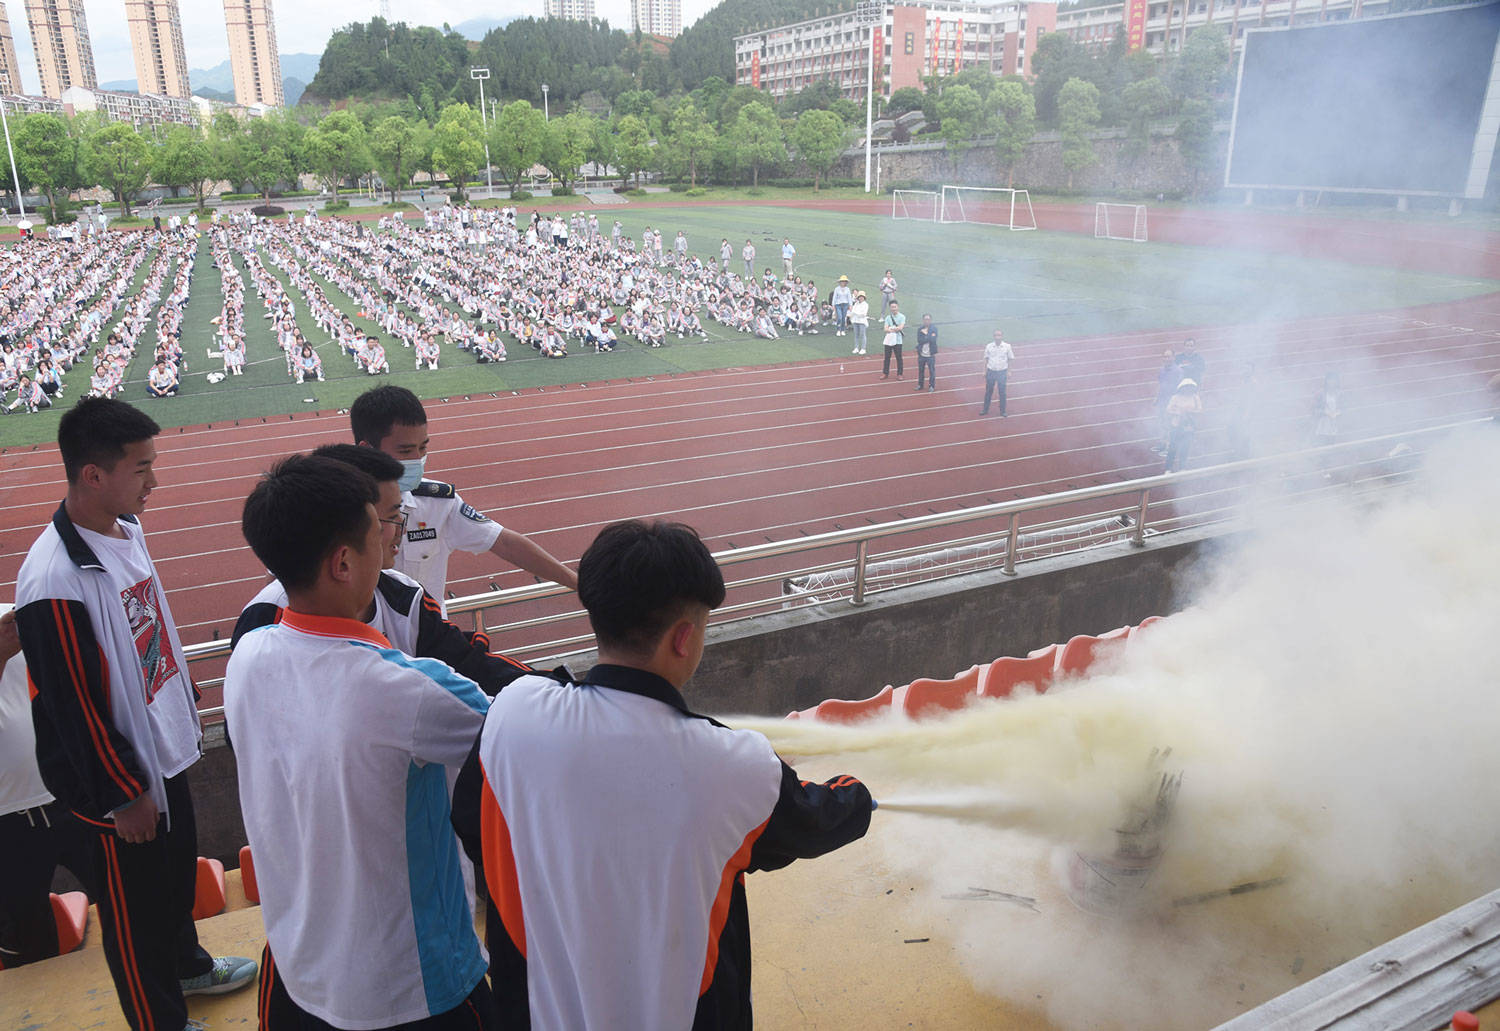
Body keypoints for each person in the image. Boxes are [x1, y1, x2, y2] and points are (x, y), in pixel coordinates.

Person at [452, 520, 874, 1029]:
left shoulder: (514, 715)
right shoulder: (733, 764)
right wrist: (859, 795)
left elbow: (470, 819)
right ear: (683, 638)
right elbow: (811, 820)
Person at [229, 454, 496, 1031]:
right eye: (380, 532)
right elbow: (526, 733)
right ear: (344, 561)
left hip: (300, 973)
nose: (392, 546)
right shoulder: (402, 688)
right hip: (413, 988)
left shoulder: (248, 655)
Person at [14, 398, 255, 1030]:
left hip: (167, 746)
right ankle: (161, 1021)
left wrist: (182, 702)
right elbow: (71, 704)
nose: (155, 481)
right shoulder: (53, 578)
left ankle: (189, 967)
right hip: (121, 777)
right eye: (142, 468)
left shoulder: (125, 530)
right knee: (134, 917)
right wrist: (123, 794)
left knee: (173, 889)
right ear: (93, 475)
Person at [350, 386, 578, 615]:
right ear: (367, 450)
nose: (418, 460)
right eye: (406, 451)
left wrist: (578, 584)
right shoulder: (334, 511)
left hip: (428, 643)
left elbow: (505, 543)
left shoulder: (437, 503)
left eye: (423, 448)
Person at [1164, 379, 1203, 473]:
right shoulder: (1175, 398)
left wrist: (1190, 412)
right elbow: (1168, 409)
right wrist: (1178, 413)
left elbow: (1200, 410)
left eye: (1190, 387)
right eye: (1186, 387)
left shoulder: (1195, 398)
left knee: (1185, 448)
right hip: (1176, 425)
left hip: (1189, 427)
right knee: (1172, 448)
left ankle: (1182, 468)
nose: (1188, 389)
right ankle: (1168, 468)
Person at [980, 328, 1015, 417]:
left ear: (1002, 336)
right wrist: (984, 371)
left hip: (1002, 372)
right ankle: (985, 409)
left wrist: (1009, 371)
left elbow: (1010, 359)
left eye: (999, 335)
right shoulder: (989, 346)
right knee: (988, 391)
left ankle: (1003, 411)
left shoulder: (1007, 346)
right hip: (991, 372)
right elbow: (985, 359)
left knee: (1002, 392)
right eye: (996, 335)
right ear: (993, 336)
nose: (997, 337)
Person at [1150, 348, 1178, 455]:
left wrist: (1174, 404)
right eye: (1165, 356)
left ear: (1173, 358)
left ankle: (1169, 448)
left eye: (1169, 356)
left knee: (1170, 425)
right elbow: (1160, 385)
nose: (1167, 359)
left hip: (1171, 403)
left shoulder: (1177, 371)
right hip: (1162, 402)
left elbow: (1178, 389)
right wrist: (1156, 398)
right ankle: (1162, 444)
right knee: (1161, 424)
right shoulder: (1162, 370)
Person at [881, 300, 906, 380]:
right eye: (892, 307)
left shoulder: (902, 317)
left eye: (895, 307)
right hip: (889, 340)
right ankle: (885, 373)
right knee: (887, 357)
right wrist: (893, 329)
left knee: (899, 357)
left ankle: (900, 374)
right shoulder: (888, 317)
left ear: (897, 307)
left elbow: (900, 328)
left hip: (898, 340)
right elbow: (885, 329)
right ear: (890, 308)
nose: (893, 309)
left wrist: (891, 328)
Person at [915, 314, 938, 392]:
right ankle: (920, 385)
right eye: (925, 319)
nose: (926, 321)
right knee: (921, 371)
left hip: (930, 354)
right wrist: (928, 337)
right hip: (921, 354)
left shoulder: (934, 329)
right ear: (923, 320)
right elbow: (919, 340)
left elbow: (933, 340)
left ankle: (931, 386)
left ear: (931, 320)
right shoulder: (920, 329)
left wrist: (925, 334)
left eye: (928, 319)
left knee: (931, 371)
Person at [849, 290, 869, 356]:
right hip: (855, 321)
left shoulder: (866, 305)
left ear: (864, 298)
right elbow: (853, 311)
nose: (861, 298)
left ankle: (863, 348)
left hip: (862, 322)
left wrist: (856, 313)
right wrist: (851, 315)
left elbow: (863, 314)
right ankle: (856, 348)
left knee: (862, 335)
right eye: (860, 297)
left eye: (862, 297)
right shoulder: (856, 304)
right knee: (856, 335)